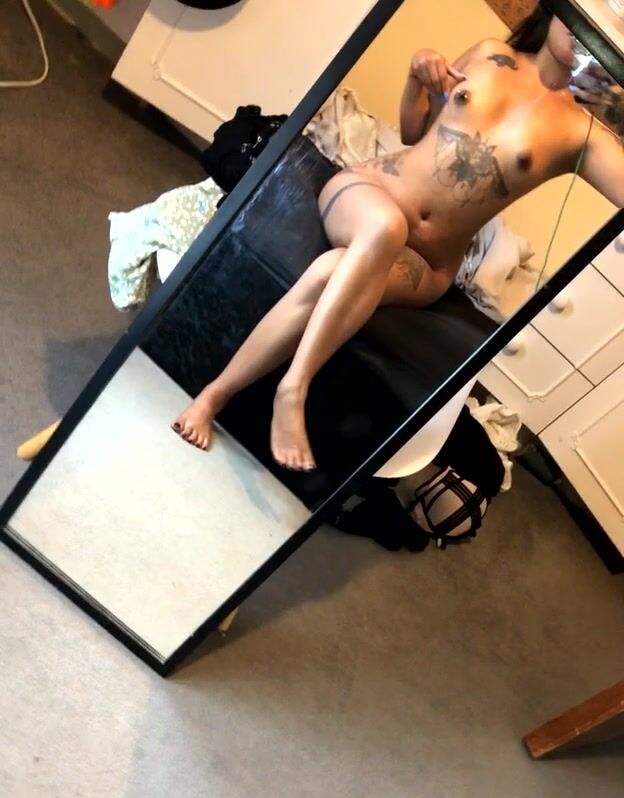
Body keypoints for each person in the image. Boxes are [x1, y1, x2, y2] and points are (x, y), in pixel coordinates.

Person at [172, 4, 624, 470]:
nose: (586, 32)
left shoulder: (582, 134)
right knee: (385, 226)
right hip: (365, 195)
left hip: (428, 264)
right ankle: (293, 388)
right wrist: (416, 78)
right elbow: (414, 133)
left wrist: (615, 101)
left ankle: (212, 396)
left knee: (329, 272)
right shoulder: (491, 54)